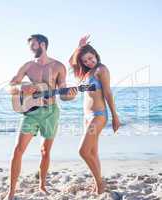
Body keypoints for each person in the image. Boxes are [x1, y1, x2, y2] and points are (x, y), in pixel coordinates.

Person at [5, 34, 77, 199]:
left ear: (43, 44)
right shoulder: (28, 66)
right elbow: (9, 88)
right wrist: (21, 89)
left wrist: (71, 95)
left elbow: (64, 93)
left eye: (33, 45)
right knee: (18, 150)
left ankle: (42, 185)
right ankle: (11, 191)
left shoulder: (59, 66)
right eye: (30, 46)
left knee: (45, 151)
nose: (31, 49)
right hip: (31, 113)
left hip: (51, 112)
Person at [69, 35, 121, 194]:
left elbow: (107, 93)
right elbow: (72, 63)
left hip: (98, 115)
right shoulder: (86, 73)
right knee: (92, 152)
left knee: (83, 151)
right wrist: (78, 47)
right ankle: (97, 183)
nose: (89, 62)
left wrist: (115, 116)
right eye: (85, 61)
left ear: (95, 55)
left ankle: (100, 183)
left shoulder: (101, 69)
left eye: (91, 58)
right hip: (86, 117)